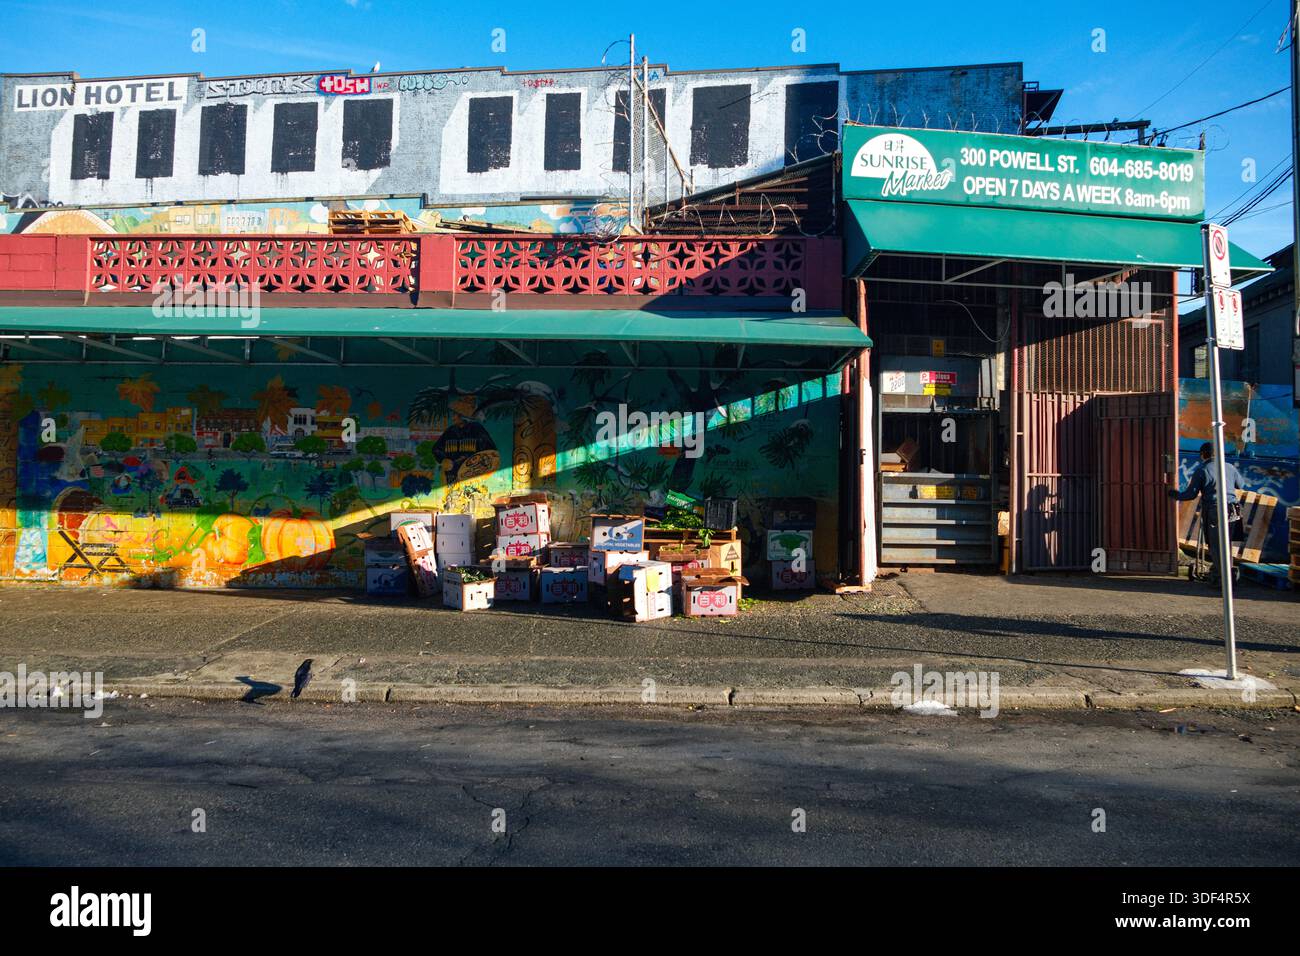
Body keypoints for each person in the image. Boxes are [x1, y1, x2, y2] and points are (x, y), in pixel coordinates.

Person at [1169, 442, 1244, 587]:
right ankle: (1223, 574)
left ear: (1203, 454)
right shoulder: (1230, 467)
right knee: (1226, 544)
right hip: (1233, 510)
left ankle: (1222, 580)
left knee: (1216, 546)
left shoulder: (1202, 469)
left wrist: (1175, 495)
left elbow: (1191, 494)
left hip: (1216, 510)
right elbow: (1241, 486)